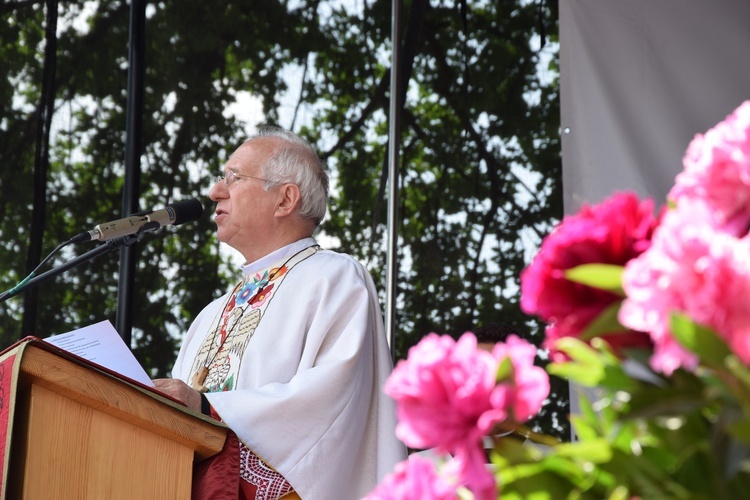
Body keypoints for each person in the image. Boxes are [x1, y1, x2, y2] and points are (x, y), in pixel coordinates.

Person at [154, 125, 406, 499]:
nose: (215, 191)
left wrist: (208, 406)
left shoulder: (334, 277)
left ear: (285, 199)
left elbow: (328, 405)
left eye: (233, 177)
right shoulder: (210, 314)